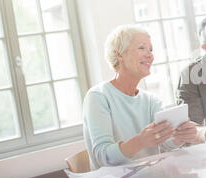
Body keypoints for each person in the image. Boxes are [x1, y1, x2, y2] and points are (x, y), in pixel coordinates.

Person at [83, 25, 199, 170]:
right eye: (141, 48)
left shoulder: (151, 100)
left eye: (150, 50)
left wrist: (180, 137)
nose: (149, 55)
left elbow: (166, 143)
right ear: (119, 54)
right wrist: (141, 141)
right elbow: (103, 157)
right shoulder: (98, 97)